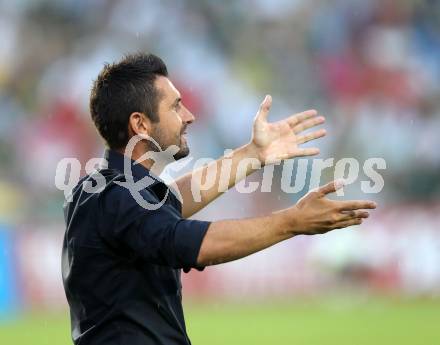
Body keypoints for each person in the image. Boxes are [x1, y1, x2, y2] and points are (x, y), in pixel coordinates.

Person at [62, 53, 376, 345]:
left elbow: (167, 201)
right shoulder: (117, 198)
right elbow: (186, 243)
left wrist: (253, 154)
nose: (189, 116)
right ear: (140, 124)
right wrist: (292, 222)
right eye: (175, 106)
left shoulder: (100, 190)